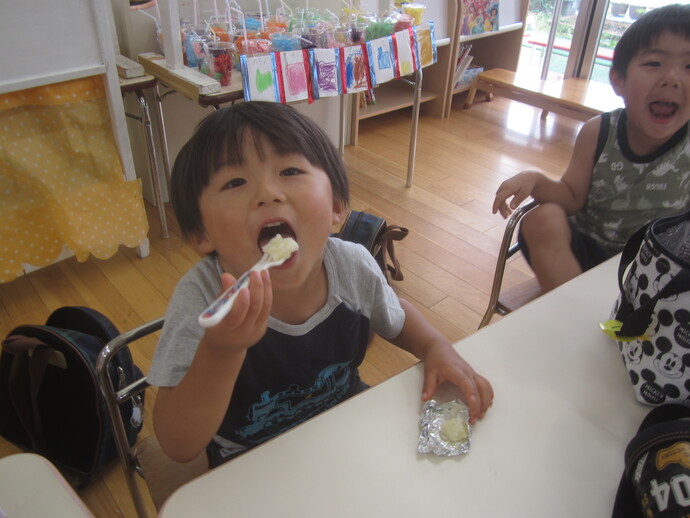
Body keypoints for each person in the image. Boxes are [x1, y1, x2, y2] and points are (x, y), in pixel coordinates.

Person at [148, 102, 493, 467]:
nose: (267, 193)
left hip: (346, 422)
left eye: (290, 170)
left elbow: (395, 315)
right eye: (235, 182)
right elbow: (177, 443)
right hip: (250, 462)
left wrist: (435, 346)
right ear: (201, 232)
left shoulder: (351, 266)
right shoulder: (204, 299)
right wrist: (221, 351)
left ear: (336, 207)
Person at [492, 4, 690, 292]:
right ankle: (577, 310)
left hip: (656, 267)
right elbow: (571, 198)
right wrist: (535, 180)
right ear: (618, 80)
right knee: (541, 219)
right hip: (585, 255)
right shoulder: (599, 132)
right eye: (653, 64)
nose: (671, 78)